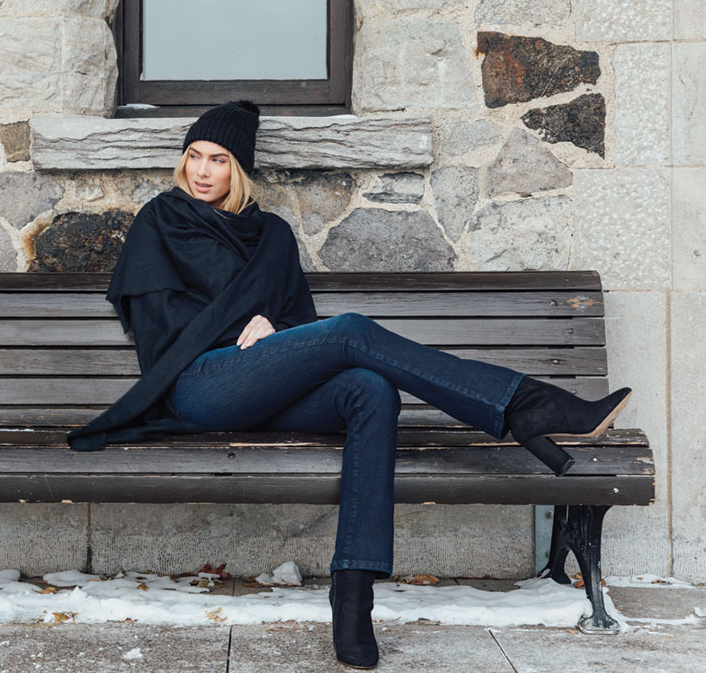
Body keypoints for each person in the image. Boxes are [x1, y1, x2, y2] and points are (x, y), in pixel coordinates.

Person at [67, 99, 632, 670]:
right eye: (195, 156)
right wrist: (243, 327)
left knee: (370, 388)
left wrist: (274, 328)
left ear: (239, 169)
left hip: (269, 389)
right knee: (351, 331)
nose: (202, 171)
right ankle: (525, 405)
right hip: (200, 385)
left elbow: (298, 324)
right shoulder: (160, 221)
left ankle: (354, 596)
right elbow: (160, 334)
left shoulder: (272, 236)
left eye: (218, 160)